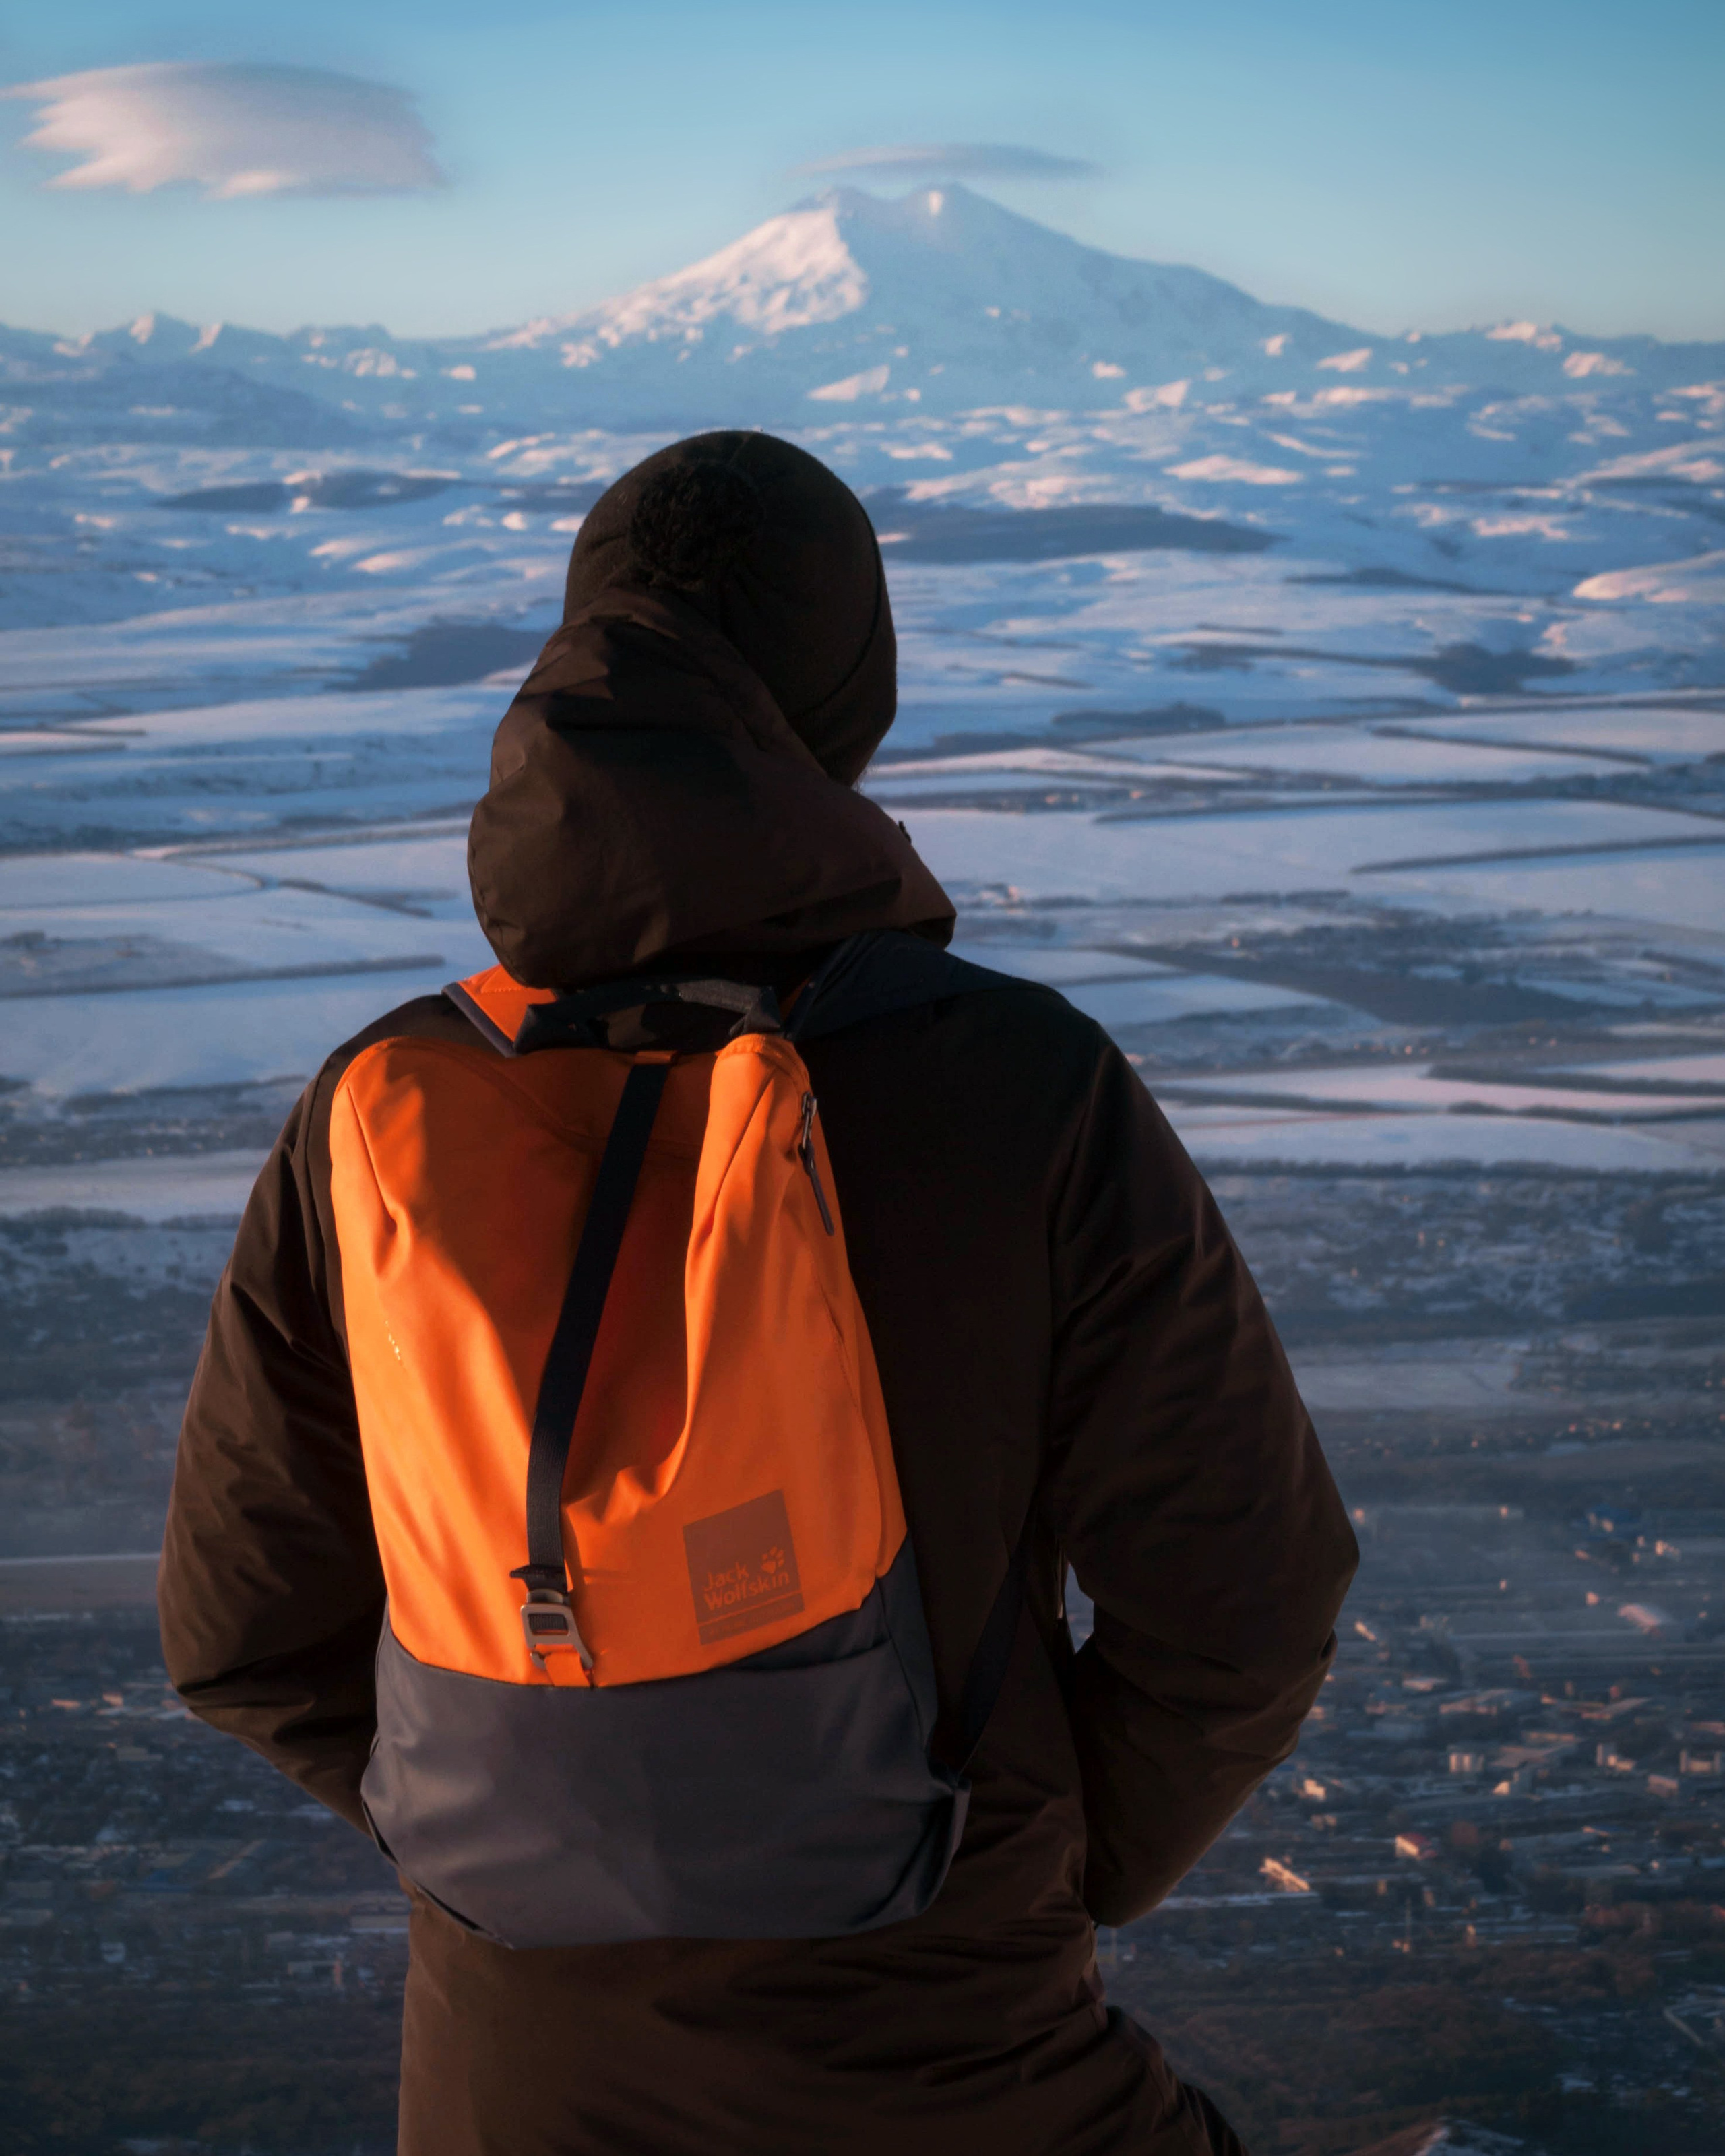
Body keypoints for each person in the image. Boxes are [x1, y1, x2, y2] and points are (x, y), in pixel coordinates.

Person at [160, 429, 1356, 2156]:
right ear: (849, 703)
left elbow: (239, 1629)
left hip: (506, 2098)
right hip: (962, 2069)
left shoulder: (383, 1108)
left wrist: (522, 1815)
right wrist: (1034, 1858)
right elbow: (1249, 1597)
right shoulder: (1019, 1090)